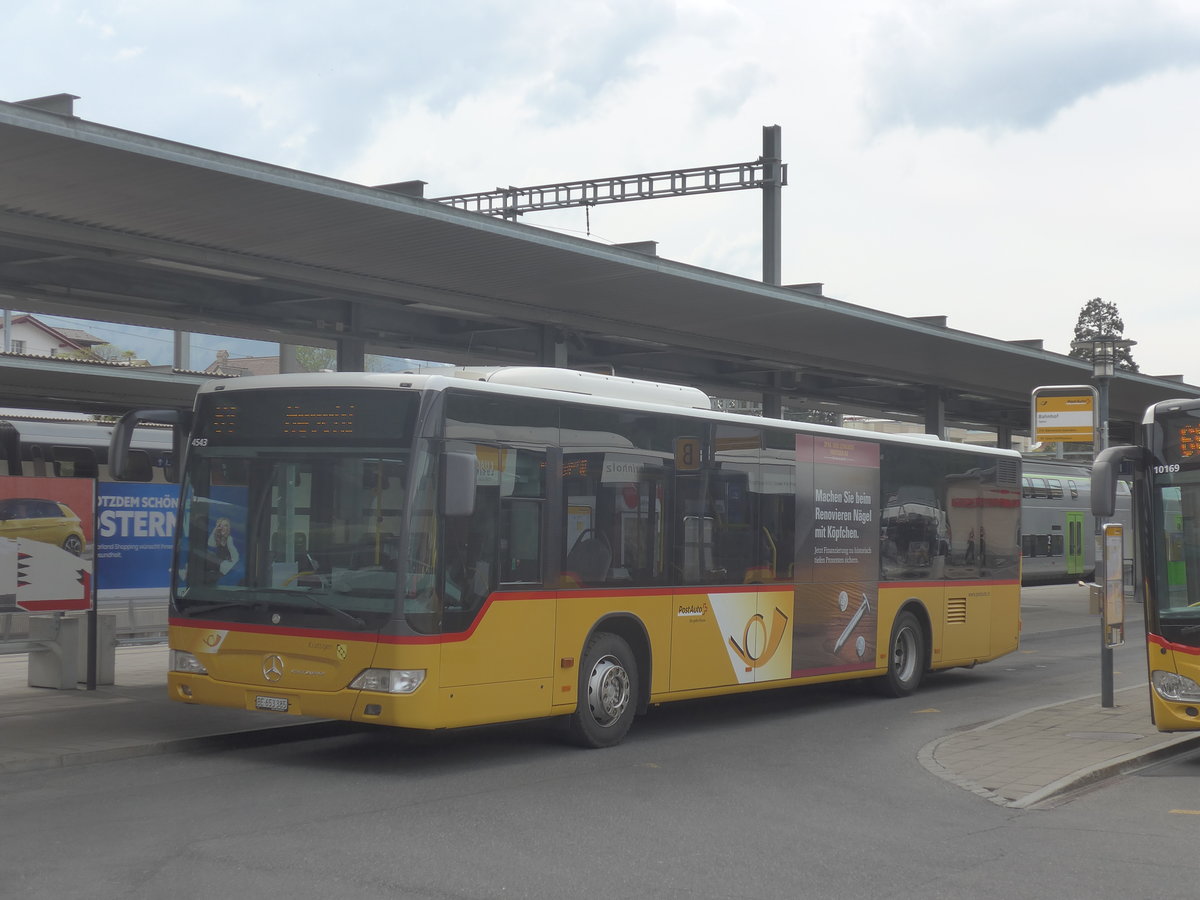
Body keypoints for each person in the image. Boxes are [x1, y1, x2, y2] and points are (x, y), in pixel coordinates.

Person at [206, 516, 240, 583]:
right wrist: (215, 529)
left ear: (228, 528)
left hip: (225, 570)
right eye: (220, 525)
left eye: (225, 526)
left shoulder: (229, 539)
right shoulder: (218, 538)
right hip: (217, 567)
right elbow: (210, 543)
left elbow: (236, 557)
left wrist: (224, 567)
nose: (223, 528)